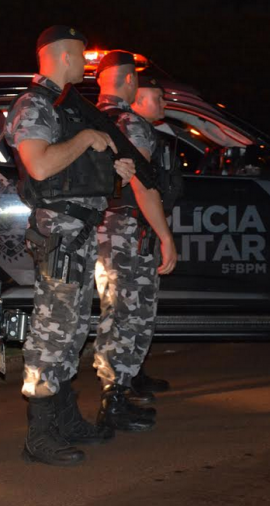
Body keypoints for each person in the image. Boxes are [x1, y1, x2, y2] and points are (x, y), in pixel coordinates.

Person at [4, 26, 136, 466]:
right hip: (59, 233)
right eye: (81, 55)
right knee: (53, 331)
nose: (87, 64)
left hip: (78, 233)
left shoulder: (67, 107)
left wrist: (112, 168)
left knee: (73, 330)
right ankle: (39, 434)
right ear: (63, 56)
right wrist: (84, 140)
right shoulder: (34, 105)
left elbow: (74, 171)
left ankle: (64, 418)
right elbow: (40, 166)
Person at [93, 56, 177, 433]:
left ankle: (122, 386)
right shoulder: (131, 124)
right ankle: (114, 400)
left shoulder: (87, 120)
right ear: (129, 81)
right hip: (127, 231)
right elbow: (142, 185)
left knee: (117, 312)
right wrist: (165, 236)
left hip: (99, 230)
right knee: (128, 315)